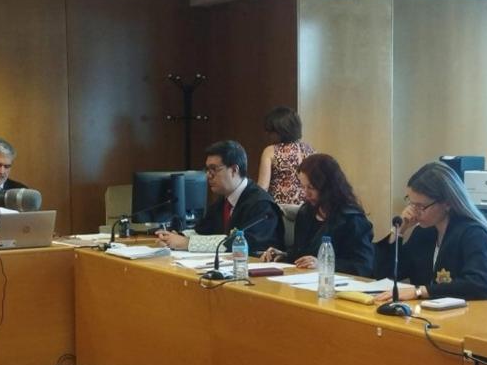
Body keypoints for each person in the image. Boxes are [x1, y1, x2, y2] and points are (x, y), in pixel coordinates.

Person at [374, 162, 487, 302]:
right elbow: (385, 275)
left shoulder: (475, 235)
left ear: (447, 203)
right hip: (435, 312)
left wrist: (420, 291)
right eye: (411, 203)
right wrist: (398, 231)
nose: (413, 212)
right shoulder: (424, 233)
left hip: (485, 313)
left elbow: (478, 285)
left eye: (420, 206)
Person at [156, 140, 284, 255]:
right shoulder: (222, 202)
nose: (208, 175)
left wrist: (187, 243)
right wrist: (175, 237)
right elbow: (203, 231)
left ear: (234, 170)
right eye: (207, 169)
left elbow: (242, 242)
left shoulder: (261, 205)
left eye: (214, 169)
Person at [261, 153, 374, 276]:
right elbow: (302, 252)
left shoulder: (352, 219)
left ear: (328, 187)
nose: (305, 194)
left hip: (336, 283)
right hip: (305, 280)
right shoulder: (306, 212)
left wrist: (324, 264)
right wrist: (284, 255)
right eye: (303, 187)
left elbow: (364, 266)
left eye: (311, 187)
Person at [257, 106, 315, 204]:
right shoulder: (311, 150)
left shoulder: (270, 151)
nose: (268, 135)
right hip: (307, 207)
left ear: (281, 130)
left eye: (270, 131)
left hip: (280, 208)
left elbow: (263, 188)